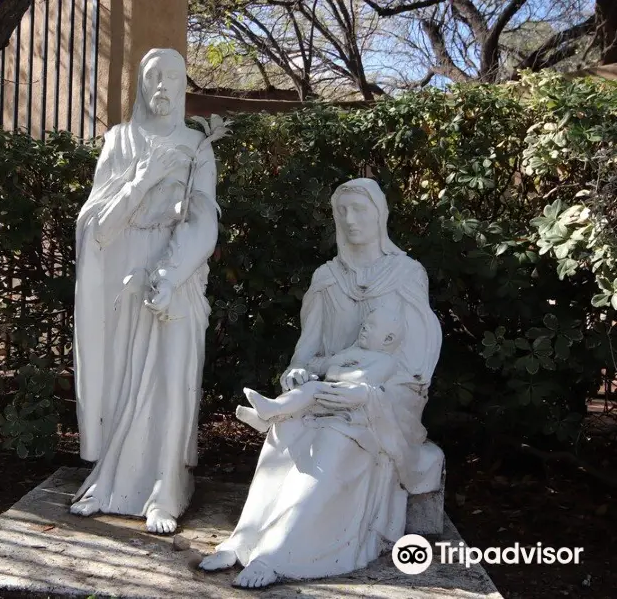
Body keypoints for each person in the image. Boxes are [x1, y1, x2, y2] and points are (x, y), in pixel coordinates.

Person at [199, 178, 444, 588]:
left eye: (359, 209)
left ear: (380, 214)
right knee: (286, 429)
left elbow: (415, 369)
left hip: (376, 406)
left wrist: (366, 397)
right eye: (341, 211)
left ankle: (282, 553)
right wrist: (297, 374)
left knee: (331, 440)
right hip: (325, 393)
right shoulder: (327, 278)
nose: (350, 220)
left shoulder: (406, 275)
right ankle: (245, 541)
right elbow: (307, 353)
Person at [71, 48, 219, 535]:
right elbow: (95, 226)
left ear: (182, 86)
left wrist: (172, 274)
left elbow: (203, 220)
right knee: (120, 382)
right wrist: (142, 181)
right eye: (153, 75)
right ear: (141, 83)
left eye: (172, 77)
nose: (163, 85)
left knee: (170, 379)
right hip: (120, 274)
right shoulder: (119, 140)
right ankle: (111, 481)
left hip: (175, 274)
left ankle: (165, 488)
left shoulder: (198, 147)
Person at [236, 305, 403, 431]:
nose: (364, 328)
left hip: (349, 399)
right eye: (364, 325)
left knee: (312, 391)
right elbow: (329, 363)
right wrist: (335, 364)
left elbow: (365, 379)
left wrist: (335, 372)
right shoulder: (355, 350)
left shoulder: (386, 361)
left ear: (388, 339)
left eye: (371, 326)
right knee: (304, 391)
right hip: (330, 390)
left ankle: (272, 411)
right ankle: (267, 419)